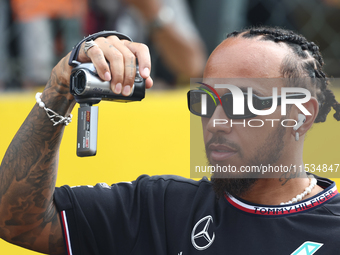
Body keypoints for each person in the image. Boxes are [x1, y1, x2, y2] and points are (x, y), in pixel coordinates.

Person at [1, 26, 340, 254]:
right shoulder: (161, 207)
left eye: (241, 102)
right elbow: (17, 220)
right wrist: (61, 87)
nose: (216, 122)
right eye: (206, 101)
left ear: (302, 114)